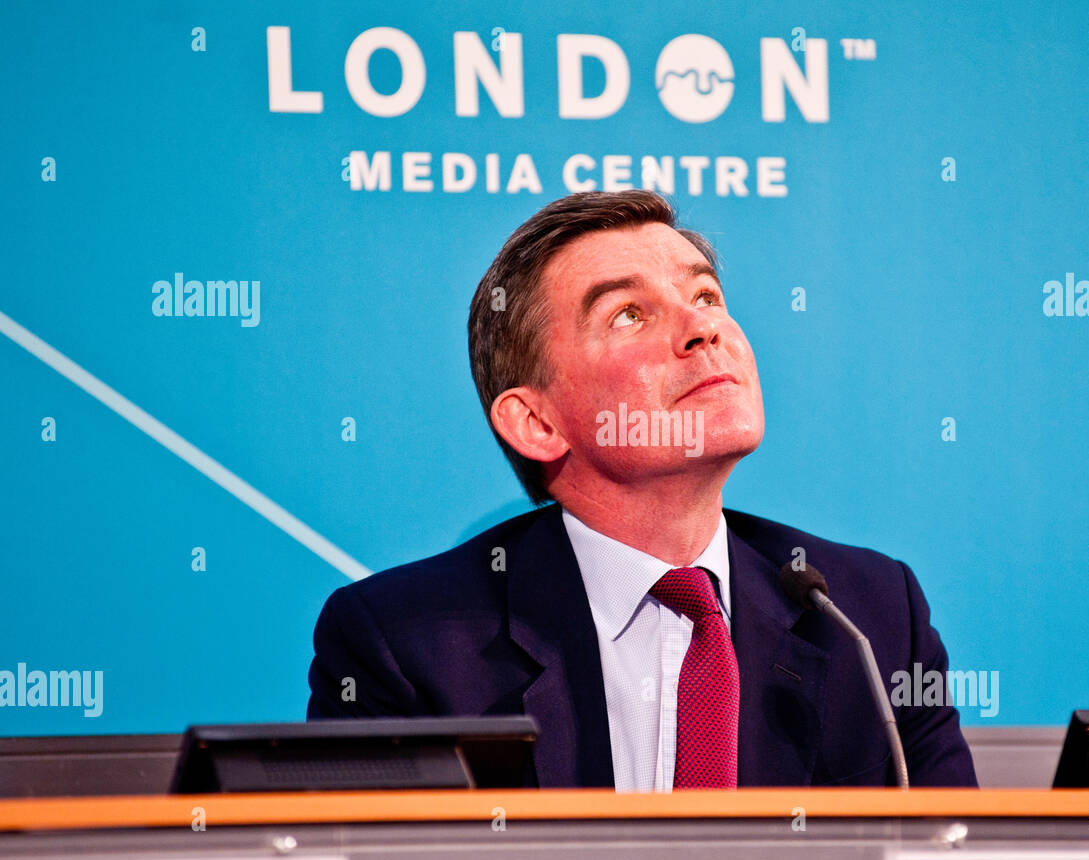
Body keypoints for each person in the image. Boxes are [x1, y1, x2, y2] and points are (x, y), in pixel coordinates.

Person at [307, 190, 978, 790]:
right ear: (537, 421)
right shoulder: (406, 644)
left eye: (707, 296)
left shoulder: (871, 618)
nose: (704, 328)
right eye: (629, 313)